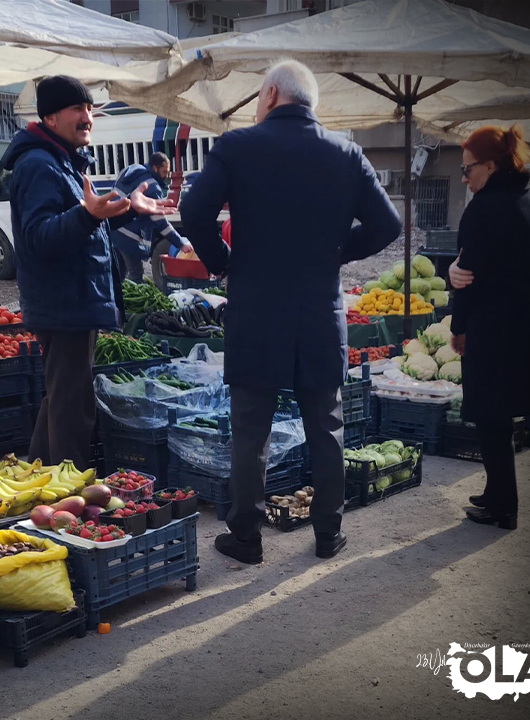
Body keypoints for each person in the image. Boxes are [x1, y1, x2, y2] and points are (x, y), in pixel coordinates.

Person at [180, 60, 402, 564]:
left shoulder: (237, 146)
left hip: (257, 311)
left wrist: (222, 263)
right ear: (309, 102)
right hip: (321, 314)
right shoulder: (347, 154)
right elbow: (387, 226)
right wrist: (335, 251)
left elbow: (194, 213)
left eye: (259, 97)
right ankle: (328, 534)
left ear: (273, 93)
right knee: (326, 427)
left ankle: (246, 538)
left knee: (251, 431)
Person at [5, 75, 175, 467]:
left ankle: (38, 475)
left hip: (76, 299)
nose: (88, 117)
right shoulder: (39, 166)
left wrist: (128, 209)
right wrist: (86, 213)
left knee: (63, 396)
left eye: (89, 109)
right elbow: (37, 238)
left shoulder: (62, 161)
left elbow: (86, 226)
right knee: (73, 405)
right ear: (49, 117)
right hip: (63, 302)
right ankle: (69, 491)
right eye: (77, 109)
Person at [447, 125, 530, 530]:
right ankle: (496, 493)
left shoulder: (486, 207)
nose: (464, 177)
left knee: (492, 420)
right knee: (500, 419)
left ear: (489, 166)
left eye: (468, 169)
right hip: (524, 327)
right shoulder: (529, 199)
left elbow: (468, 275)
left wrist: (458, 327)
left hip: (493, 331)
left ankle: (503, 506)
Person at [111, 153, 191, 282]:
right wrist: (180, 243)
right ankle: (131, 302)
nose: (166, 176)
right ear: (155, 168)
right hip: (129, 237)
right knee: (136, 273)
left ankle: (119, 300)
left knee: (118, 273)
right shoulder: (152, 187)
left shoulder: (130, 170)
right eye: (164, 172)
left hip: (114, 231)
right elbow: (161, 223)